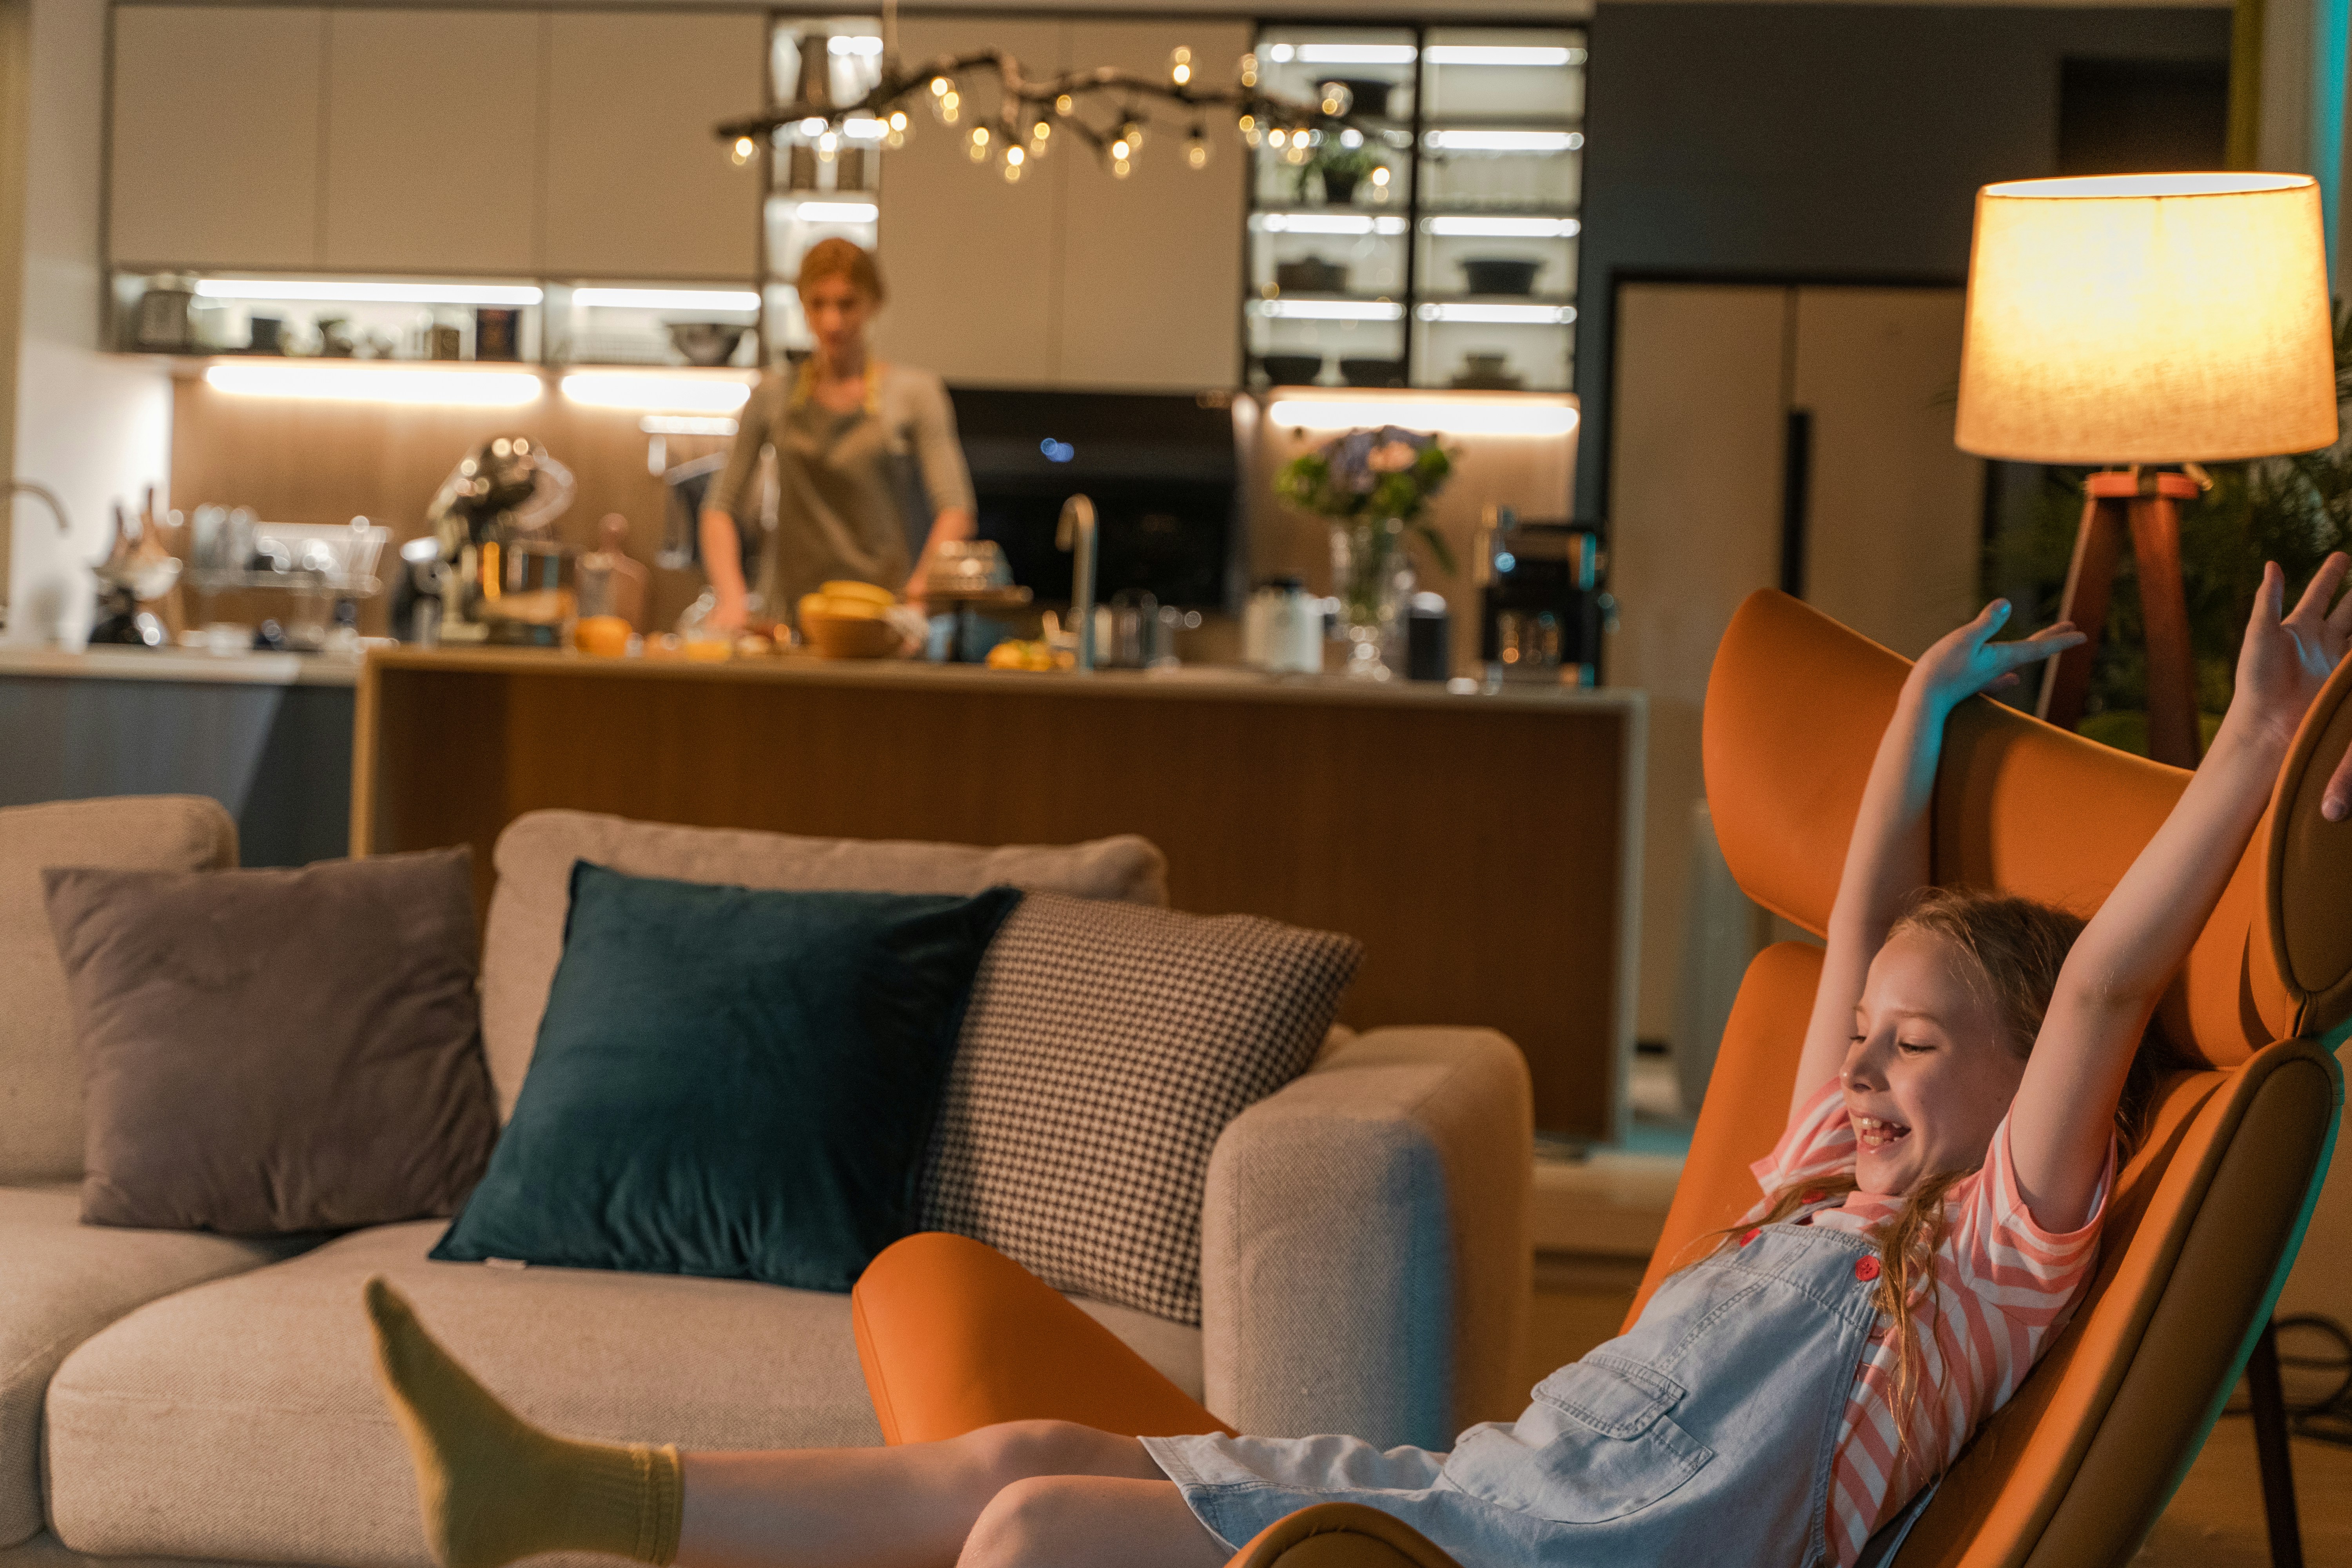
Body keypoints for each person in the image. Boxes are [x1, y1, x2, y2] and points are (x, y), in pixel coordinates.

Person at [362, 556, 2351, 1568]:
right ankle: (568, 1489)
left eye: (1927, 1046)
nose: (1875, 1064)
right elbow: (1852, 934)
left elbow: (2096, 996)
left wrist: (2255, 746)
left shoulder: (2003, 1243)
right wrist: (1911, 717)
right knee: (1021, 1461)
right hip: (1462, 1497)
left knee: (1037, 1542)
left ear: (2024, 1085)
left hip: (1551, 1564)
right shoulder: (1820, 1167)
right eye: (1876, 1041)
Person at [698, 239, 977, 633]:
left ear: (873, 303)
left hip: (884, 622)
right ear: (803, 306)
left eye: (847, 304)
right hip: (789, 623)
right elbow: (719, 507)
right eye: (818, 304)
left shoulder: (915, 394)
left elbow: (957, 509)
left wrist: (917, 598)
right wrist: (731, 598)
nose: (833, 322)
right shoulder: (770, 396)